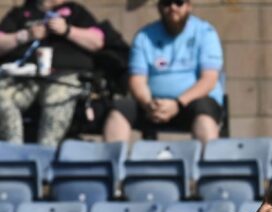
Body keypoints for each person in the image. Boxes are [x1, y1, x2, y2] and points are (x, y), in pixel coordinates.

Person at [103, 0, 222, 143]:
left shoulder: (206, 33)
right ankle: (114, 163)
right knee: (119, 109)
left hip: (190, 104)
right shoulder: (144, 36)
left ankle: (206, 163)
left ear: (189, 6)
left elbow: (209, 80)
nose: (173, 7)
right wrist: (148, 104)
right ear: (159, 7)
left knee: (205, 113)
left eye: (179, 2)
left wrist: (178, 104)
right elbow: (137, 80)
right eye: (166, 3)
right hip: (153, 106)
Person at [0, 0, 105, 145]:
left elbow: (97, 41)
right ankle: (13, 154)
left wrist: (67, 30)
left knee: (56, 99)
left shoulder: (75, 11)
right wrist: (25, 35)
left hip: (63, 78)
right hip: (23, 78)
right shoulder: (20, 13)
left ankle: (45, 154)